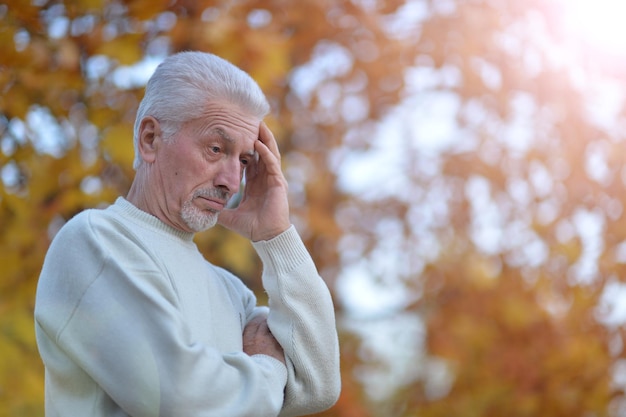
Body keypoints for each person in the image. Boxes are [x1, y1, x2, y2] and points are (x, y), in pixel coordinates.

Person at [34, 51, 341, 417]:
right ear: (150, 139)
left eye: (243, 161)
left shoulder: (232, 292)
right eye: (216, 149)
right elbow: (184, 401)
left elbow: (317, 385)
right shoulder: (94, 242)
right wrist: (267, 366)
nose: (231, 181)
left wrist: (276, 237)